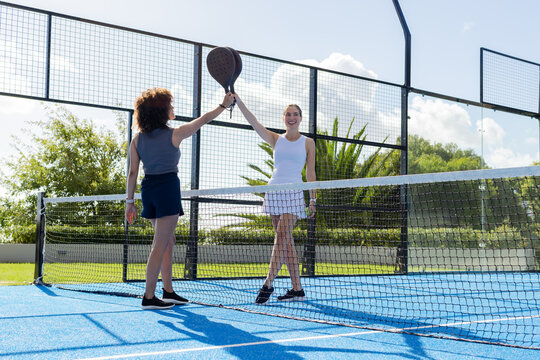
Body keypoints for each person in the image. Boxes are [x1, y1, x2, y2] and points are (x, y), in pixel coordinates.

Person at [126, 87, 235, 309]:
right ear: (161, 111)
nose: (173, 108)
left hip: (149, 189)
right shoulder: (175, 134)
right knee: (160, 243)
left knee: (168, 240)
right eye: (170, 105)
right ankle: (148, 297)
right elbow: (204, 119)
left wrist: (129, 203)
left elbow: (132, 173)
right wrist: (224, 105)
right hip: (167, 188)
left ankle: (168, 291)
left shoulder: (137, 139)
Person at [233, 94, 316, 305]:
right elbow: (254, 122)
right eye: (288, 114)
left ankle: (268, 284)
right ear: (283, 118)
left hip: (295, 192)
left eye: (295, 114)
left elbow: (310, 172)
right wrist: (239, 101)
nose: (292, 117)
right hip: (274, 192)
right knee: (286, 243)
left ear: (300, 118)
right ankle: (297, 289)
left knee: (281, 234)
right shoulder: (275, 139)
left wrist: (313, 199)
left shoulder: (308, 142)